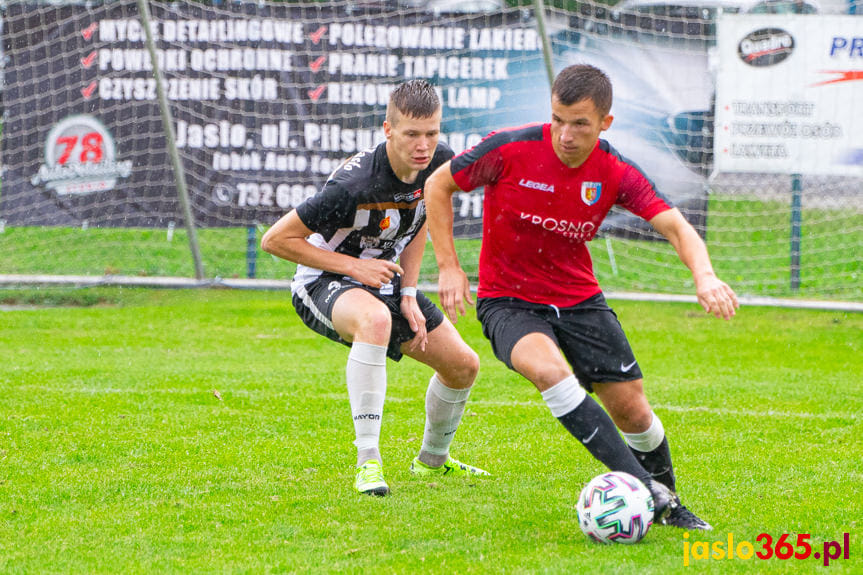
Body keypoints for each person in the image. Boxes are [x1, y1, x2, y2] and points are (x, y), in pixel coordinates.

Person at [424, 64, 738, 529]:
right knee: (548, 370)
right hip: (508, 300)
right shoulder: (509, 148)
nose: (565, 135)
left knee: (633, 409)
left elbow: (674, 225)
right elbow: (438, 183)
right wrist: (449, 267)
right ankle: (653, 496)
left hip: (579, 300)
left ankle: (666, 498)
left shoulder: (613, 170)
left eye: (580, 124)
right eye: (558, 119)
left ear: (605, 123)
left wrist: (706, 276)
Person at [261, 79, 488, 497]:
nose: (423, 145)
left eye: (432, 133)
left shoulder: (439, 163)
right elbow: (275, 240)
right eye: (411, 134)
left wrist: (409, 290)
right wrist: (353, 268)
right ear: (388, 129)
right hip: (322, 280)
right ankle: (368, 463)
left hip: (382, 279)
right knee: (374, 319)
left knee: (463, 366)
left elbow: (422, 217)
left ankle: (432, 464)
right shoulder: (353, 185)